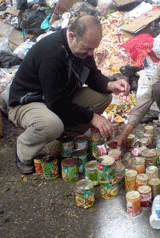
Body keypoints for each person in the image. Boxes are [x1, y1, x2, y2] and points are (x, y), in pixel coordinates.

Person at [8, 15, 130, 174]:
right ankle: (23, 151)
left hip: (58, 96)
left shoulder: (82, 46)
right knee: (51, 125)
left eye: (93, 48)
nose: (90, 53)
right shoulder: (52, 54)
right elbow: (56, 103)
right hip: (28, 102)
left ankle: (65, 137)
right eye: (87, 48)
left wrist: (110, 84)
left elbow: (92, 74)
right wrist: (92, 117)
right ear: (72, 36)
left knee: (104, 97)